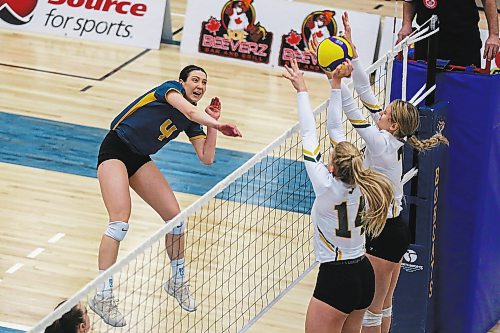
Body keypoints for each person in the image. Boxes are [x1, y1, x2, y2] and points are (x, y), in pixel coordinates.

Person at [89, 65, 242, 327]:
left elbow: (207, 157)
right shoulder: (168, 90)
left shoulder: (193, 118)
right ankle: (102, 295)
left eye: (204, 82)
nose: (200, 86)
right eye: (195, 80)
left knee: (176, 219)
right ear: (182, 82)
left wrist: (213, 123)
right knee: (119, 223)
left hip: (138, 158)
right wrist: (217, 123)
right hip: (115, 149)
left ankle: (177, 281)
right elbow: (190, 110)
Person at [340, 12, 448, 333]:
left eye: (385, 113)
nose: (380, 111)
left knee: (371, 308)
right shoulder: (390, 136)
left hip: (385, 230)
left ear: (394, 124)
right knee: (384, 303)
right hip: (395, 226)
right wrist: (353, 51)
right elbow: (364, 90)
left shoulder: (380, 143)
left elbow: (351, 108)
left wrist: (334, 80)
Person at [282, 57, 394, 333]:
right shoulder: (369, 182)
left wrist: (302, 90)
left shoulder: (325, 185)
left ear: (331, 166)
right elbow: (336, 132)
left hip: (336, 277)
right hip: (363, 274)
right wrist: (334, 84)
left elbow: (309, 132)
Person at [396, 0, 499, 67]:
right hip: (426, 40)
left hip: (463, 41)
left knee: (463, 95)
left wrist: (494, 35)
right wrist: (406, 23)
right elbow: (409, 1)